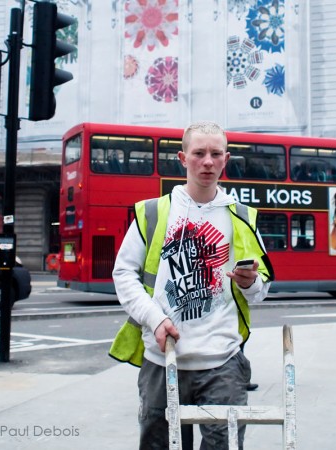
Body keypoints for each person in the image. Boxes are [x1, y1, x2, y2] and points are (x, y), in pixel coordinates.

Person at [109, 121, 274, 449]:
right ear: (183, 159)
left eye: (216, 154)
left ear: (226, 160)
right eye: (199, 153)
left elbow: (259, 293)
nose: (208, 162)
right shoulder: (153, 212)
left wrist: (250, 282)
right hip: (162, 359)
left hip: (223, 361)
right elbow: (123, 274)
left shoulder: (241, 216)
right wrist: (155, 319)